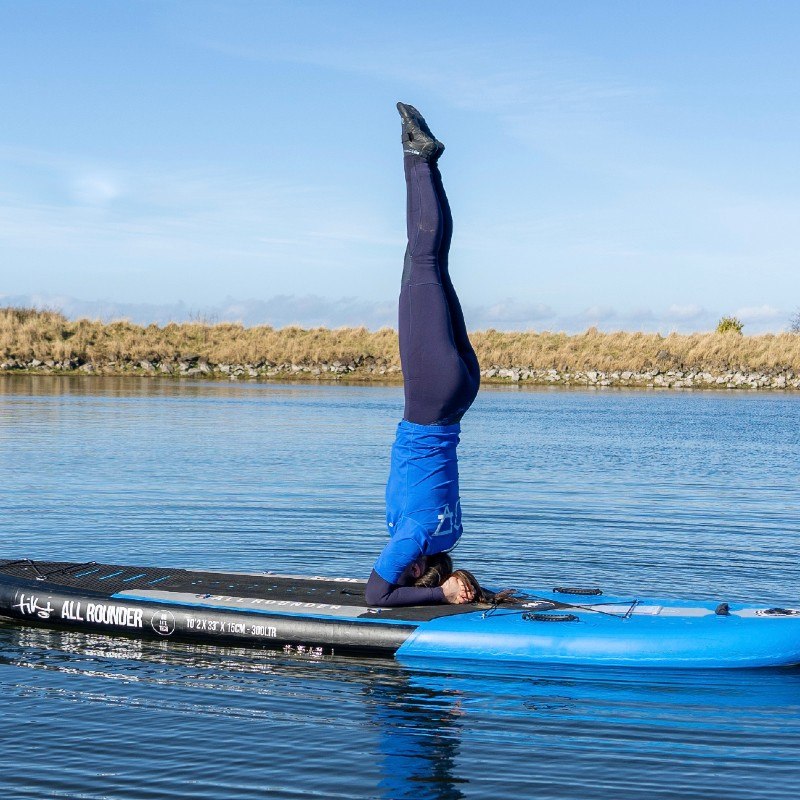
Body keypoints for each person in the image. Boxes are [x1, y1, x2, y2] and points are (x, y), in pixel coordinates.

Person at [364, 103, 481, 607]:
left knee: (434, 261)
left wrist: (467, 588)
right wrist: (437, 597)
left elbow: (436, 571)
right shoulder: (412, 542)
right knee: (423, 257)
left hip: (459, 394)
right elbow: (374, 596)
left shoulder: (447, 536)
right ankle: (419, 158)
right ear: (417, 572)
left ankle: (425, 162)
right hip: (430, 397)